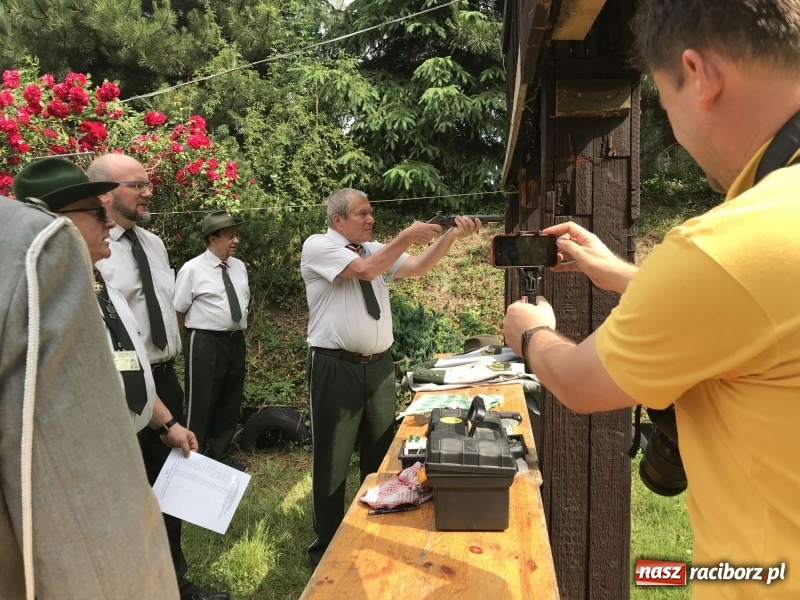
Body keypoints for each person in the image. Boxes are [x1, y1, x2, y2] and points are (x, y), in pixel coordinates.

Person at [502, 1, 800, 598]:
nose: (678, 133)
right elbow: (754, 313)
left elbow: (580, 383)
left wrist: (531, 332)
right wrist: (618, 272)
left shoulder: (732, 245)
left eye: (664, 100)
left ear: (698, 74)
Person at [0, 198, 179, 597]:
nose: (109, 224)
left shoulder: (105, 289)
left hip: (136, 431)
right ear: (54, 220)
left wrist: (165, 421)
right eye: (97, 215)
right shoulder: (46, 304)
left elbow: (128, 363)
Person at [301, 187, 481, 566]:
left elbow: (417, 267)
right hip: (336, 367)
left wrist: (450, 235)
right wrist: (407, 235)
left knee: (382, 453)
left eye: (371, 213)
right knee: (333, 461)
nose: (371, 219)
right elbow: (366, 271)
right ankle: (327, 551)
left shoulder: (372, 249)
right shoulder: (319, 246)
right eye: (362, 214)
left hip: (379, 366)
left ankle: (375, 531)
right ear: (338, 220)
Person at [86, 154, 227, 600]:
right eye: (137, 185)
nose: (148, 192)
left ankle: (174, 583)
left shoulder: (153, 243)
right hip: (120, 384)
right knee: (130, 493)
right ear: (104, 193)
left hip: (162, 379)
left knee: (170, 483)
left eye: (148, 184)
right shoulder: (90, 251)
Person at [174, 211, 249, 470]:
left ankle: (220, 457)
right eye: (230, 236)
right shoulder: (192, 269)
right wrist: (186, 345)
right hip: (204, 341)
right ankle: (193, 459)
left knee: (230, 399)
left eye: (236, 235)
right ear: (212, 239)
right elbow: (179, 311)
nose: (236, 240)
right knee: (201, 401)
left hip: (234, 341)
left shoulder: (239, 267)